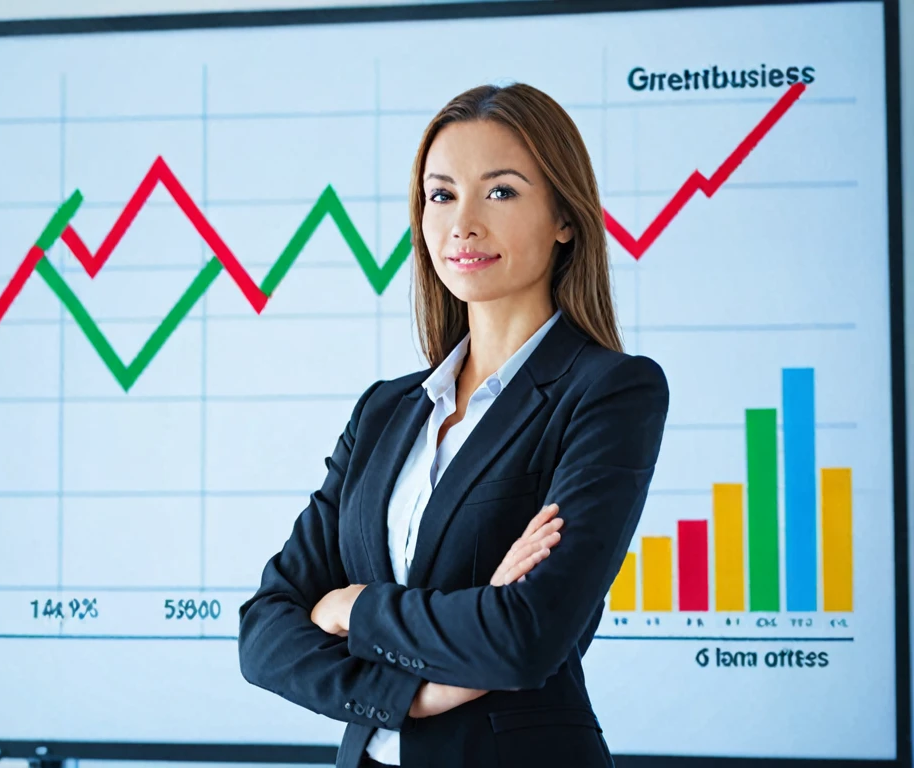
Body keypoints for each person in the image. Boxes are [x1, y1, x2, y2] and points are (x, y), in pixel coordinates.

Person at [237, 82, 670, 768]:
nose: (462, 223)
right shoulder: (384, 411)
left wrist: (353, 607)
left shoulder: (609, 392)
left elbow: (525, 637)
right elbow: (264, 631)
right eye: (441, 195)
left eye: (500, 191)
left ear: (564, 217)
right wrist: (414, 695)